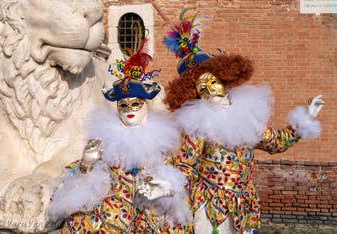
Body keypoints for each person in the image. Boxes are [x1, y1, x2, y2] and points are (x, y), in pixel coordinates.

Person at [163, 10, 324, 234]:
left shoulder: (247, 118)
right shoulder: (198, 126)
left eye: (213, 82)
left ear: (224, 80)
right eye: (202, 87)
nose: (210, 90)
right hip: (210, 206)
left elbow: (276, 143)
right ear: (194, 93)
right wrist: (167, 184)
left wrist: (306, 118)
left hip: (243, 207)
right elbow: (185, 166)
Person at [48, 39, 192, 233]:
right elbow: (84, 180)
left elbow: (181, 175)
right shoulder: (105, 139)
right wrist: (86, 164)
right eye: (123, 105)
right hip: (112, 214)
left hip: (149, 213)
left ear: (145, 105)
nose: (129, 109)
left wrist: (165, 189)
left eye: (135, 104)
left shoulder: (163, 140)